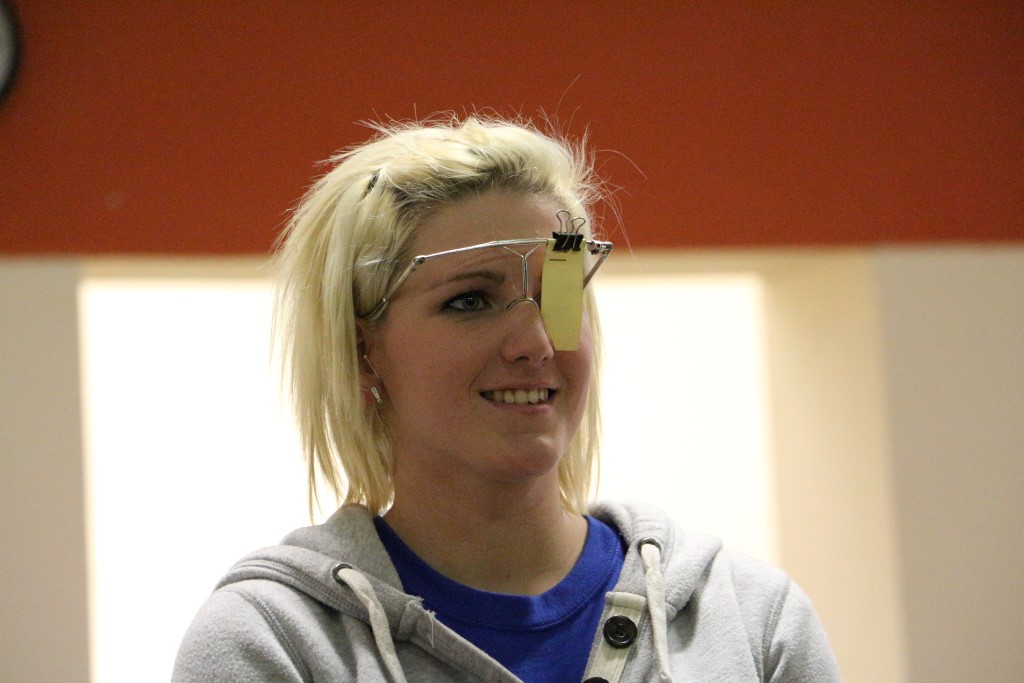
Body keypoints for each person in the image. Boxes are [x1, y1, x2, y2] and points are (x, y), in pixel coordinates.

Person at [172, 115, 841, 682]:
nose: (536, 341)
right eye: (470, 300)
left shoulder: (751, 622)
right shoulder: (273, 642)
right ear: (361, 348)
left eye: (559, 294)